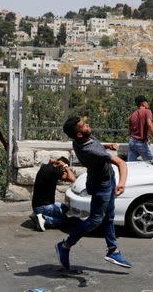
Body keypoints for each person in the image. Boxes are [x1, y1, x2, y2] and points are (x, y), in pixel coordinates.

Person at [55, 116, 131, 270]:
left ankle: (113, 250)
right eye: (83, 125)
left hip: (103, 180)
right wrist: (122, 183)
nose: (87, 124)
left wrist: (107, 145)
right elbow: (121, 163)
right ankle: (65, 245)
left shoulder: (80, 140)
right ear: (79, 134)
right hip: (102, 185)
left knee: (109, 216)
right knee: (95, 220)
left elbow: (96, 145)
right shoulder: (92, 150)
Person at [30, 157, 76, 232]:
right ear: (61, 166)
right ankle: (44, 219)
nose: (64, 172)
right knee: (67, 220)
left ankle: (37, 215)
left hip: (38, 205)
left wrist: (55, 162)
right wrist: (66, 167)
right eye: (63, 170)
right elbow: (72, 179)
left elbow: (50, 164)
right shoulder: (55, 171)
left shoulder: (45, 166)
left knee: (65, 208)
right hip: (44, 207)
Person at [127, 95, 153, 161]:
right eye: (147, 102)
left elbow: (129, 131)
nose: (148, 104)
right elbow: (150, 125)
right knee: (151, 163)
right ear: (143, 103)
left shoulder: (132, 115)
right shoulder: (147, 111)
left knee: (130, 164)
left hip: (132, 141)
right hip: (141, 143)